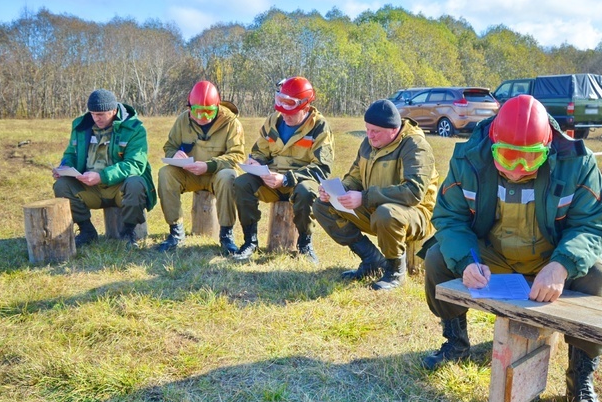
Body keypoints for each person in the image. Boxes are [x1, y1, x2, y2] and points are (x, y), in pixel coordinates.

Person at [422, 94, 602, 402]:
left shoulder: (578, 162)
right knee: (437, 260)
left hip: (550, 255)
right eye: (507, 157)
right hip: (493, 253)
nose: (517, 169)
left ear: (547, 146)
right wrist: (467, 262)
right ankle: (455, 342)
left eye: (529, 158)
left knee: (596, 276)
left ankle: (580, 378)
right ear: (493, 142)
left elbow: (592, 225)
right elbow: (450, 217)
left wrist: (562, 265)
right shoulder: (469, 159)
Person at [313, 99, 438, 290]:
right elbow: (354, 177)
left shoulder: (415, 145)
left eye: (375, 131)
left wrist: (364, 198)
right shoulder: (368, 143)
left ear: (394, 129)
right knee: (323, 206)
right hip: (377, 207)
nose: (370, 136)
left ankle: (395, 271)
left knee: (386, 213)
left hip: (416, 215)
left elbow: (413, 193)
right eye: (367, 129)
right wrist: (335, 191)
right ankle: (372, 259)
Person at [232, 76, 334, 263]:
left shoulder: (319, 126)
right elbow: (259, 150)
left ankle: (304, 244)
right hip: (270, 181)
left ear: (305, 107)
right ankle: (250, 241)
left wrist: (287, 178)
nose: (285, 116)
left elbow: (322, 168)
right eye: (281, 110)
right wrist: (256, 163)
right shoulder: (273, 121)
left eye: (291, 112)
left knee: (306, 192)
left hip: (299, 183)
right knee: (241, 184)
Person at [53, 89, 156, 248]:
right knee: (61, 185)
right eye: (93, 113)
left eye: (101, 114)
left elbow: (136, 164)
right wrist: (65, 167)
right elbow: (71, 153)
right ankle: (86, 230)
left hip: (119, 188)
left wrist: (102, 176)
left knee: (136, 183)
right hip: (90, 187)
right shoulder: (81, 126)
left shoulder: (134, 129)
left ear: (114, 111)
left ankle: (128, 231)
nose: (96, 118)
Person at [156, 81, 245, 254]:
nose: (203, 116)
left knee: (228, 176)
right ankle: (176, 232)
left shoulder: (232, 123)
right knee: (165, 173)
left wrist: (209, 166)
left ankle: (226, 235)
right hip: (189, 174)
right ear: (189, 107)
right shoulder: (183, 119)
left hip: (216, 175)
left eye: (209, 111)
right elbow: (170, 146)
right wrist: (174, 154)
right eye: (197, 111)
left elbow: (237, 156)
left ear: (217, 106)